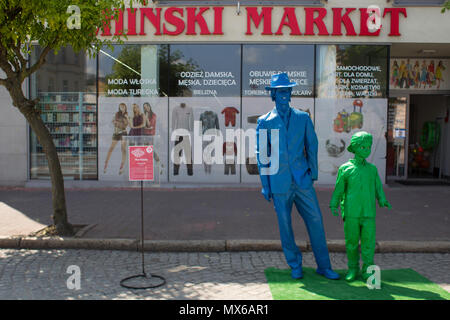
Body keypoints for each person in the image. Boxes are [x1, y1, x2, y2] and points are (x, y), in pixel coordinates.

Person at [256, 73, 339, 280]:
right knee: (285, 226)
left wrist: (313, 173)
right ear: (273, 95)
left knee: (316, 221)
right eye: (280, 92)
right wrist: (265, 185)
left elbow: (312, 145)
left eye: (287, 91)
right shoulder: (264, 122)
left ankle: (324, 265)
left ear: (291, 94)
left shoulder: (303, 118)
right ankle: (295, 264)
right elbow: (262, 155)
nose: (284, 95)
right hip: (278, 182)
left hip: (302, 180)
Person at [329, 131, 392, 282]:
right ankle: (353, 268)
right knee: (351, 242)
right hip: (351, 212)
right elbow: (339, 188)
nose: (367, 150)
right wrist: (334, 204)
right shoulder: (345, 168)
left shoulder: (372, 169)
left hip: (369, 212)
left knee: (368, 242)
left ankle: (368, 270)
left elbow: (378, 187)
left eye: (368, 147)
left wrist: (382, 199)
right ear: (355, 148)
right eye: (363, 147)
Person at [104, 103, 129, 175]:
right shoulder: (117, 114)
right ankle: (106, 164)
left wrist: (119, 122)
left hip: (123, 133)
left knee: (123, 149)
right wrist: (118, 123)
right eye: (121, 107)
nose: (122, 108)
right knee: (111, 148)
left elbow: (125, 125)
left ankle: (122, 166)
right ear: (119, 107)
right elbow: (113, 122)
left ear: (125, 107)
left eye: (123, 106)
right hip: (116, 133)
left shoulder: (126, 115)